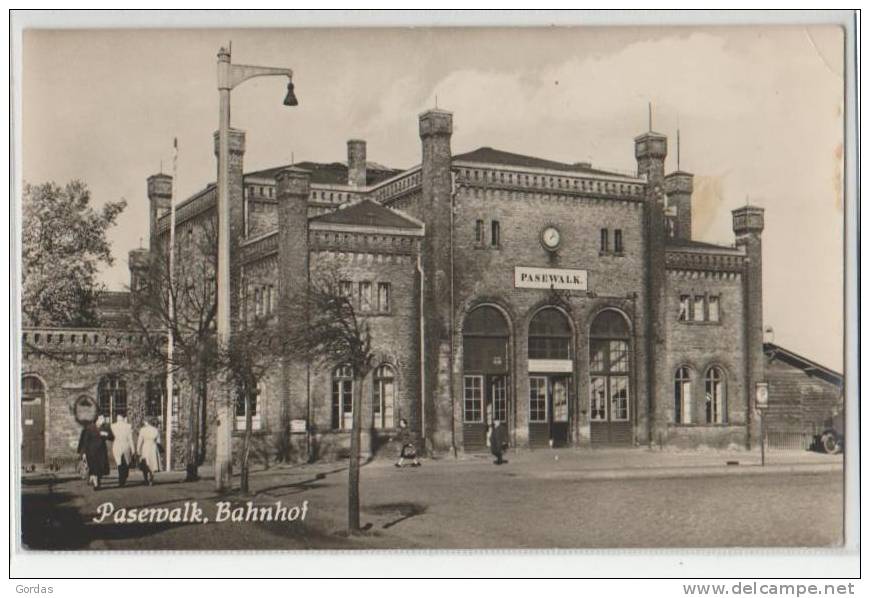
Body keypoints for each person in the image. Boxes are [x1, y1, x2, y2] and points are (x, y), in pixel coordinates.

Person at [77, 415, 114, 490]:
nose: (103, 420)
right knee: (94, 468)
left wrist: (106, 434)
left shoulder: (105, 427)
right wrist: (83, 453)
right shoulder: (90, 428)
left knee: (100, 468)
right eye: (101, 418)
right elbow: (85, 442)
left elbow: (112, 437)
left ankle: (96, 481)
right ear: (97, 420)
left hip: (101, 451)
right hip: (91, 452)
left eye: (103, 418)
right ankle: (96, 484)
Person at [110, 413, 134, 487]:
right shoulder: (128, 426)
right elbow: (130, 439)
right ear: (124, 418)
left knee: (119, 463)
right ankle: (124, 477)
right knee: (126, 462)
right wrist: (133, 449)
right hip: (126, 445)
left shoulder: (113, 426)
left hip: (117, 445)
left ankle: (121, 479)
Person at [136, 418, 161, 486]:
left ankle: (146, 479)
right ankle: (151, 479)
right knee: (152, 463)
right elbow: (158, 441)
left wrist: (138, 449)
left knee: (145, 463)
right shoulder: (155, 430)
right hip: (153, 446)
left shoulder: (143, 430)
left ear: (145, 422)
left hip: (145, 447)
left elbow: (140, 440)